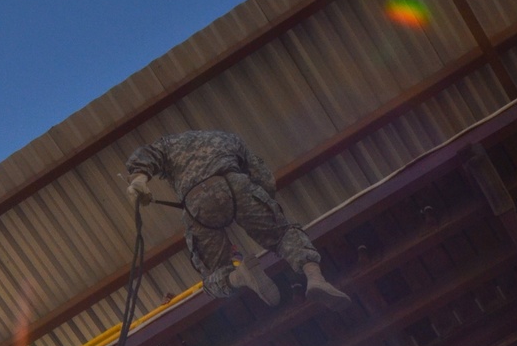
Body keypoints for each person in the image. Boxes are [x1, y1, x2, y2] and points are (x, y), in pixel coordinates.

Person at [125, 129, 349, 309]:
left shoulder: (168, 144)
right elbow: (264, 179)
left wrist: (139, 180)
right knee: (282, 235)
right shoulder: (229, 138)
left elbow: (147, 155)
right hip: (236, 183)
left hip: (197, 200)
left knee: (214, 274)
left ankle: (239, 277)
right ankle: (315, 278)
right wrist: (264, 207)